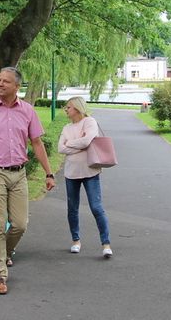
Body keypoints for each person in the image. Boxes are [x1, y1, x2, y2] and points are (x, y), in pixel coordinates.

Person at [0, 67, 56, 295]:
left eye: (6, 81)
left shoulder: (27, 111)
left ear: (17, 87)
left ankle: (3, 253)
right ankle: (0, 275)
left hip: (19, 173)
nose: (0, 84)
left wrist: (49, 172)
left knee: (20, 223)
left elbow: (36, 143)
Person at [57, 96, 112, 259]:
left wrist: (71, 144)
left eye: (68, 107)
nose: (66, 110)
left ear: (77, 108)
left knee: (96, 207)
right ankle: (76, 241)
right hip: (71, 172)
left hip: (90, 171)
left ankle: (106, 243)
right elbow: (60, 148)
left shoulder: (90, 122)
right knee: (72, 208)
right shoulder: (66, 127)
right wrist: (80, 146)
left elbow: (88, 140)